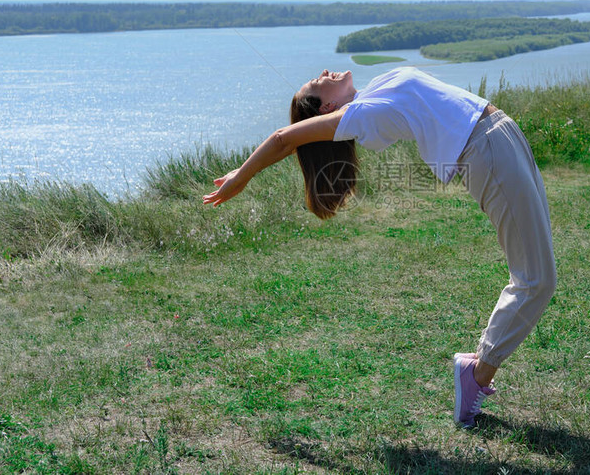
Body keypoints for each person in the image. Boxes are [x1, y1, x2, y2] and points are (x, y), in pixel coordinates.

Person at [203, 67, 557, 427]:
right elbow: (284, 139)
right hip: (487, 150)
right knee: (536, 279)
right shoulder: (363, 115)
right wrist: (240, 176)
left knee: (538, 273)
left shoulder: (375, 92)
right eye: (316, 82)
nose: (324, 72)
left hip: (501, 133)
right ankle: (477, 374)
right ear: (327, 107)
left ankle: (476, 369)